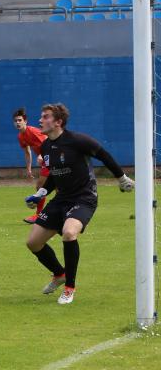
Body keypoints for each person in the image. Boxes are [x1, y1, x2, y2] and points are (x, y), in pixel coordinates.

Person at [23, 103, 134, 305]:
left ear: (58, 122)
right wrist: (40, 193)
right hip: (61, 199)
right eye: (41, 116)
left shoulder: (78, 140)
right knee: (33, 243)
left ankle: (69, 288)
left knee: (69, 232)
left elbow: (104, 155)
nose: (40, 120)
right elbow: (55, 176)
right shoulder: (46, 145)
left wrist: (122, 178)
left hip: (84, 197)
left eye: (45, 117)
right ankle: (59, 274)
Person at [13, 108, 48, 224]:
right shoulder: (21, 137)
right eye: (15, 121)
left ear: (25, 121)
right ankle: (41, 215)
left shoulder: (33, 131)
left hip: (52, 158)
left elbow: (48, 142)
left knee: (41, 187)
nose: (17, 123)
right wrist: (28, 169)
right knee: (41, 187)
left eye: (19, 120)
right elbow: (27, 153)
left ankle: (41, 215)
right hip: (46, 161)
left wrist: (42, 155)